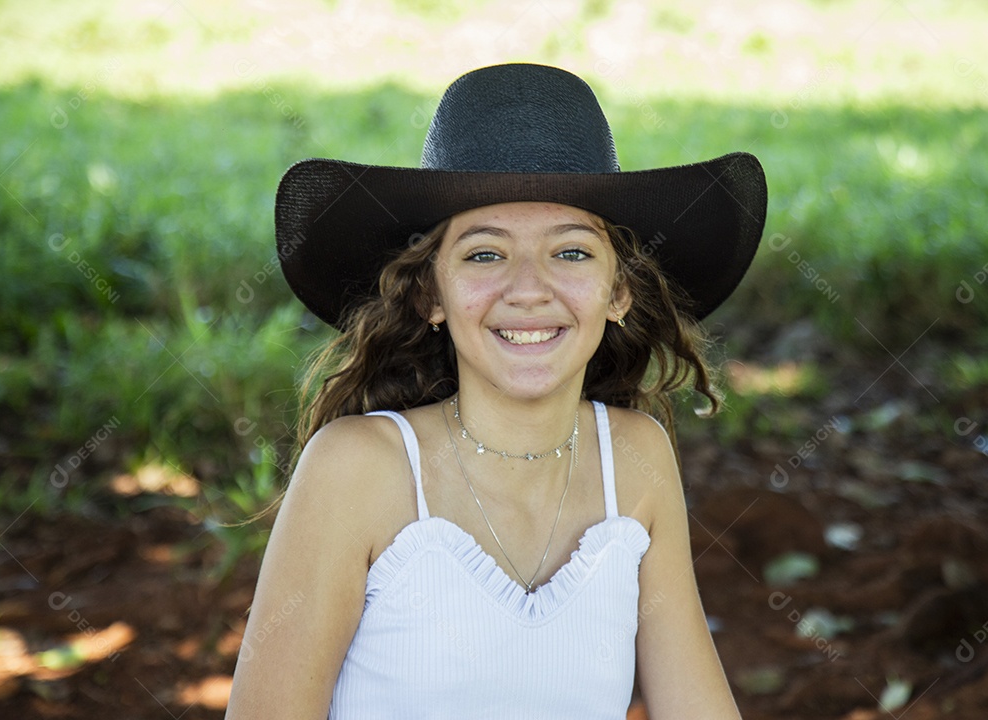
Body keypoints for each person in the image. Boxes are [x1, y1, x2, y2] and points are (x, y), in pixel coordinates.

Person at [225, 62, 766, 720]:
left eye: (571, 252)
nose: (529, 289)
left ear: (619, 291)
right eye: (485, 254)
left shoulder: (636, 462)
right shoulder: (358, 470)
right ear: (430, 294)